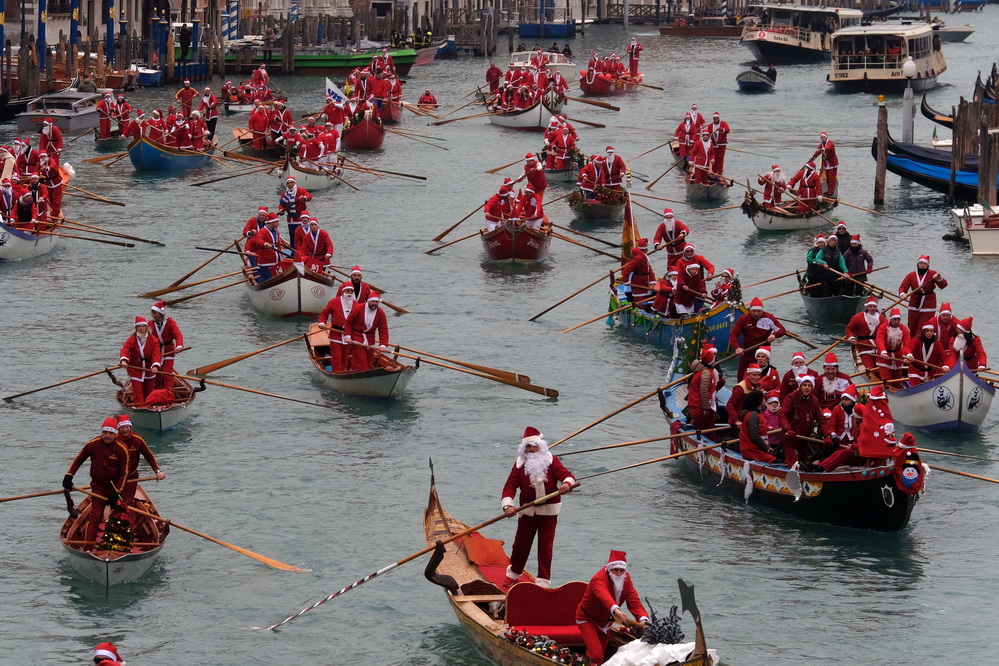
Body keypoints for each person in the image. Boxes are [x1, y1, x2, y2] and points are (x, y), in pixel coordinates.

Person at [500, 427, 574, 588]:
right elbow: (509, 487)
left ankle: (543, 583)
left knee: (545, 549)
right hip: (527, 512)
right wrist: (508, 506)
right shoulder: (519, 466)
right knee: (520, 545)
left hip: (549, 514)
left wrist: (566, 484)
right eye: (529, 447)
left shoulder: (551, 461)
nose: (532, 449)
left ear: (541, 446)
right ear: (524, 449)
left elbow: (567, 475)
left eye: (535, 446)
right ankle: (513, 574)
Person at [63, 419, 130, 550]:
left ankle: (119, 547)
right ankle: (88, 548)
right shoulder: (92, 444)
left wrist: (117, 492)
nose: (107, 435)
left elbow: (125, 473)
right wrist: (69, 476)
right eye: (105, 432)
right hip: (98, 487)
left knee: (119, 517)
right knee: (96, 516)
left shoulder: (122, 449)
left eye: (111, 433)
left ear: (116, 434)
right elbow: (78, 459)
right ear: (101, 432)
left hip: (116, 488)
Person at [575, 551, 649, 664]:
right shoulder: (598, 579)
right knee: (596, 655)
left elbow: (633, 600)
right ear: (609, 569)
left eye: (622, 570)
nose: (619, 574)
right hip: (587, 619)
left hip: (606, 622)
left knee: (600, 655)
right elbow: (603, 595)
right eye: (615, 570)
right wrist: (617, 611)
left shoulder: (626, 579)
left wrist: (643, 619)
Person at [730, 297, 787, 380]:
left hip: (763, 355)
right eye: (754, 311)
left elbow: (782, 330)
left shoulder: (769, 318)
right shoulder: (743, 319)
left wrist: (774, 335)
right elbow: (733, 335)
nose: (756, 313)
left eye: (759, 311)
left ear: (762, 311)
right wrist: (737, 348)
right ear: (750, 310)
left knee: (762, 380)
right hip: (747, 354)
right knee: (741, 378)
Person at [115, 414, 166, 507]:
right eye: (122, 427)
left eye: (127, 427)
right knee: (114, 501)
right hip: (114, 478)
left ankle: (128, 518)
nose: (125, 430)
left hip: (131, 477)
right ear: (118, 429)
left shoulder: (137, 440)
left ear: (130, 427)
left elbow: (149, 455)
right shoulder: (113, 440)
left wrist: (157, 471)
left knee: (127, 503)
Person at [778, 375, 829, 466]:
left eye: (809, 385)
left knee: (804, 464)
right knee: (794, 465)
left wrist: (827, 435)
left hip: (803, 439)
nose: (807, 388)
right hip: (789, 437)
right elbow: (782, 415)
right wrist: (788, 429)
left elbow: (821, 419)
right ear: (800, 386)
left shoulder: (814, 400)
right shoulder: (791, 397)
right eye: (804, 385)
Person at [898, 255, 947, 333]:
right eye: (920, 263)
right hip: (914, 303)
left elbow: (944, 285)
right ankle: (912, 343)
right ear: (918, 264)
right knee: (912, 326)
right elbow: (903, 287)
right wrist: (902, 294)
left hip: (928, 304)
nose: (922, 265)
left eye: (924, 264)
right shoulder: (911, 275)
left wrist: (938, 278)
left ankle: (919, 342)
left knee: (923, 327)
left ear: (927, 265)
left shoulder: (932, 274)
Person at [119, 316, 161, 405]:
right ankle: (140, 407)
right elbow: (125, 349)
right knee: (138, 392)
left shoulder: (154, 340)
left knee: (149, 391)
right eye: (139, 326)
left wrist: (155, 365)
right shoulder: (132, 339)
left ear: (146, 327)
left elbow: (156, 354)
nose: (141, 328)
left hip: (149, 368)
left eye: (143, 326)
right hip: (135, 368)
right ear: (136, 328)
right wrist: (124, 360)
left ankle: (149, 407)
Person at [318, 282, 358, 372]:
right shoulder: (333, 302)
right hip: (336, 334)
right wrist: (321, 323)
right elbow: (324, 314)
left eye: (351, 291)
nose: (349, 293)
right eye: (347, 290)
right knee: (336, 358)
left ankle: (342, 372)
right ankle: (337, 373)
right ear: (343, 291)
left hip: (349, 335)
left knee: (345, 357)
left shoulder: (356, 304)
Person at [344, 293, 389, 371]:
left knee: (369, 361)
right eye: (372, 301)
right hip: (357, 337)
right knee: (361, 361)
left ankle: (357, 371)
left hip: (370, 339)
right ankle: (357, 372)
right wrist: (347, 336)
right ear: (368, 301)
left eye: (376, 302)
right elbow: (348, 323)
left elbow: (383, 330)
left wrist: (383, 345)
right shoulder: (358, 308)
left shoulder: (381, 313)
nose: (374, 304)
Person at [687, 344, 723, 438]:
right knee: (709, 434)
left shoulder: (703, 370)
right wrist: (706, 409)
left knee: (709, 432)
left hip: (700, 407)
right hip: (700, 409)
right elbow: (704, 393)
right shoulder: (706, 374)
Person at [148, 301, 184, 390]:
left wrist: (179, 346)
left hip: (169, 351)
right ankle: (157, 392)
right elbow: (146, 338)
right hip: (157, 351)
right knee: (157, 374)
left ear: (161, 313)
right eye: (152, 313)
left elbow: (178, 335)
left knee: (167, 373)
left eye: (155, 313)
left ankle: (168, 393)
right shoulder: (150, 324)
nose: (153, 315)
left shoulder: (170, 322)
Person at [739, 389, 781, 463]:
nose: (764, 400)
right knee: (778, 462)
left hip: (759, 449)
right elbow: (754, 436)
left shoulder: (759, 414)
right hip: (752, 451)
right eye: (763, 399)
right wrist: (766, 447)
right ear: (759, 401)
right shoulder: (753, 415)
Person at [845, 295, 885, 371]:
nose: (872, 308)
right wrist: (852, 337)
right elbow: (849, 329)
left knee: (882, 368)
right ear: (866, 307)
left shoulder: (881, 318)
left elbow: (887, 330)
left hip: (879, 347)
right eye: (870, 306)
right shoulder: (857, 318)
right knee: (870, 368)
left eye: (874, 306)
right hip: (864, 347)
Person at [245, 213, 285, 282]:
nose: (278, 223)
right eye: (277, 222)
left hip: (276, 260)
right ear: (271, 222)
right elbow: (258, 240)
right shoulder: (263, 231)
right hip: (266, 261)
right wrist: (265, 244)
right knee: (265, 280)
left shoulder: (276, 231)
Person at [876, 308, 911, 384]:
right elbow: (880, 340)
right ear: (890, 319)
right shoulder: (883, 327)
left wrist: (908, 355)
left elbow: (907, 343)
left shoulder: (904, 329)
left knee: (897, 381)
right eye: (894, 319)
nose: (896, 322)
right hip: (884, 357)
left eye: (898, 319)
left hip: (898, 357)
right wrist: (883, 352)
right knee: (887, 380)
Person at [727, 363, 763, 434]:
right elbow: (729, 405)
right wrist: (736, 421)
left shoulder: (758, 387)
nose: (757, 377)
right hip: (739, 422)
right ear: (748, 375)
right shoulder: (740, 388)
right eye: (754, 375)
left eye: (758, 375)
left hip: (750, 420)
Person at [278, 177, 312, 248]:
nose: (290, 184)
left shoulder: (300, 190)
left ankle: (304, 250)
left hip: (300, 218)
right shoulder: (284, 194)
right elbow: (282, 205)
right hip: (290, 219)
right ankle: (293, 252)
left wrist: (304, 198)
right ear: (286, 184)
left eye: (291, 183)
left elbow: (309, 196)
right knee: (292, 237)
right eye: (288, 183)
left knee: (301, 236)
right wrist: (281, 210)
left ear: (294, 183)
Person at [620, 238, 656, 305]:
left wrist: (652, 282)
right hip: (639, 282)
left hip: (645, 281)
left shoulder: (644, 257)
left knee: (646, 298)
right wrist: (625, 281)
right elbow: (627, 269)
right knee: (640, 299)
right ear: (645, 249)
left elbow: (649, 270)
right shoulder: (638, 258)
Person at [810, 131, 839, 198]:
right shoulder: (822, 144)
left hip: (832, 163)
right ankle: (829, 190)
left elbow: (828, 148)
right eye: (822, 138)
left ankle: (831, 192)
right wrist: (813, 157)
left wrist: (823, 149)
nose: (823, 139)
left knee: (832, 178)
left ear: (826, 137)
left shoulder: (830, 143)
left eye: (824, 137)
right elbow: (818, 151)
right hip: (827, 163)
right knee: (828, 178)